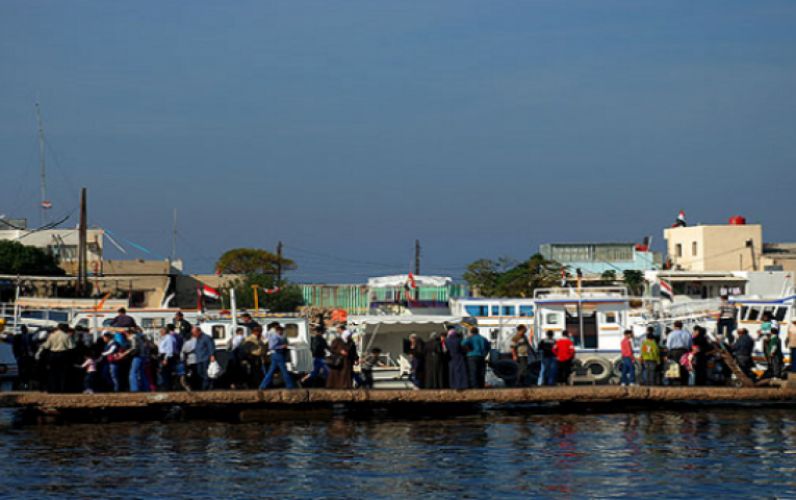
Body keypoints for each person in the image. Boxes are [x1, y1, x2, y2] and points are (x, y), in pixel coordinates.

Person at [39, 323, 75, 393]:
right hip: (63, 354)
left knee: (52, 373)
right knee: (62, 373)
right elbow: (72, 347)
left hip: (53, 354)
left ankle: (53, 389)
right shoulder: (66, 336)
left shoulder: (52, 335)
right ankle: (62, 389)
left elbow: (46, 346)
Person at [260, 325, 297, 389]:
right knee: (284, 370)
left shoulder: (275, 336)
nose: (283, 332)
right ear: (279, 331)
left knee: (271, 371)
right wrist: (281, 346)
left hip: (275, 355)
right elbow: (272, 346)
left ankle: (263, 385)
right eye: (282, 331)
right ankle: (290, 385)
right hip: (278, 355)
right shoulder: (276, 337)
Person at [120, 327, 151, 392]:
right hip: (143, 356)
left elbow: (133, 348)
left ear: (128, 333)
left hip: (137, 356)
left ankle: (134, 389)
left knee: (133, 373)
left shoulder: (133, 337)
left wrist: (124, 354)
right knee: (142, 373)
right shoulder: (140, 336)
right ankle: (146, 388)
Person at [666, 321, 693, 386]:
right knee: (684, 368)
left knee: (674, 367)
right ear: (682, 326)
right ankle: (684, 383)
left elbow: (668, 345)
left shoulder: (671, 334)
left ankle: (674, 384)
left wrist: (668, 353)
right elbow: (690, 345)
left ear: (674, 326)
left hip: (674, 352)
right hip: (684, 351)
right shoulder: (687, 334)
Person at [192, 326, 217, 390]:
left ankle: (205, 387)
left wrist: (212, 355)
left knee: (206, 373)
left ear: (199, 331)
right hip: (199, 359)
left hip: (205, 358)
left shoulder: (206, 338)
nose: (194, 334)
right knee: (200, 372)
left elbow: (211, 346)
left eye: (195, 332)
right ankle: (207, 384)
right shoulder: (197, 339)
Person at [158, 326, 179, 390]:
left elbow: (169, 349)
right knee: (164, 372)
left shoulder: (169, 338)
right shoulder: (165, 338)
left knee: (166, 372)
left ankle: (167, 387)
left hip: (167, 356)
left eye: (161, 331)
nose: (160, 332)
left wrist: (166, 358)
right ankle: (166, 385)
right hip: (164, 355)